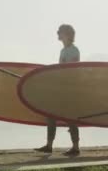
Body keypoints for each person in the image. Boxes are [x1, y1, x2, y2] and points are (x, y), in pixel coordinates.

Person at [34, 24, 81, 156]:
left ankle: (76, 147)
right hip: (61, 88)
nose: (57, 33)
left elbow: (71, 71)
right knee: (51, 115)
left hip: (69, 88)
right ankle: (49, 145)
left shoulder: (73, 50)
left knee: (70, 117)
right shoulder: (63, 51)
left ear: (66, 34)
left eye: (59, 31)